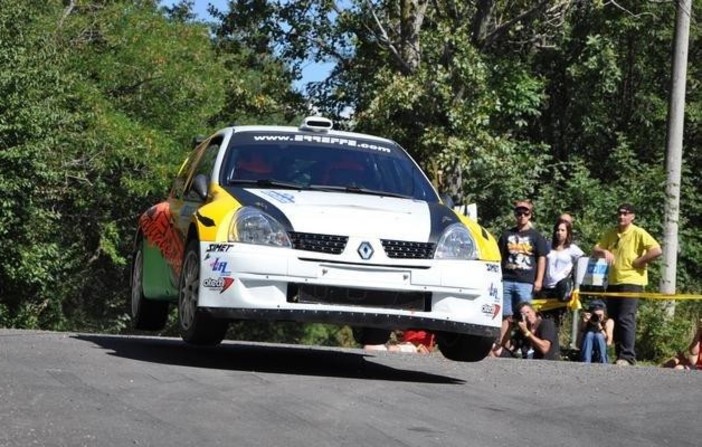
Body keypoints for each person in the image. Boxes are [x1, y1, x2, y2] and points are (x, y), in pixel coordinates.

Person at [592, 203, 662, 366]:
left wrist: (640, 260)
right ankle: (619, 355)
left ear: (632, 216)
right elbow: (595, 249)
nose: (621, 216)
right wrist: (604, 251)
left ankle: (628, 356)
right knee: (614, 319)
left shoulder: (638, 232)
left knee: (625, 318)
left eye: (625, 213)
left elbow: (657, 250)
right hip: (613, 280)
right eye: (619, 213)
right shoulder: (611, 232)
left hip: (632, 280)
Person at [495, 200, 549, 353]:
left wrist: (538, 280)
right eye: (519, 213)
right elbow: (499, 256)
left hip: (526, 281)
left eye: (526, 213)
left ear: (530, 215)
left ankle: (528, 347)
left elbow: (542, 257)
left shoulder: (536, 236)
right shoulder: (507, 234)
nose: (522, 216)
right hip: (506, 279)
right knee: (506, 316)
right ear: (515, 215)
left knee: (527, 315)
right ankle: (502, 348)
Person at [539, 218, 584, 326]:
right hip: (545, 287)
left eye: (563, 230)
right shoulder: (547, 245)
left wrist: (574, 280)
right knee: (542, 319)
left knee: (556, 321)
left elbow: (583, 262)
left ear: (567, 232)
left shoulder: (572, 249)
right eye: (558, 230)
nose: (559, 232)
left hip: (561, 289)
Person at [492, 302, 560, 360]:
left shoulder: (546, 324)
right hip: (525, 364)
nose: (527, 316)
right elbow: (509, 348)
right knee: (494, 347)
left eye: (528, 312)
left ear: (534, 311)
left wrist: (527, 332)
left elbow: (545, 349)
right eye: (523, 315)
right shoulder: (522, 330)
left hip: (544, 363)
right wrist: (510, 326)